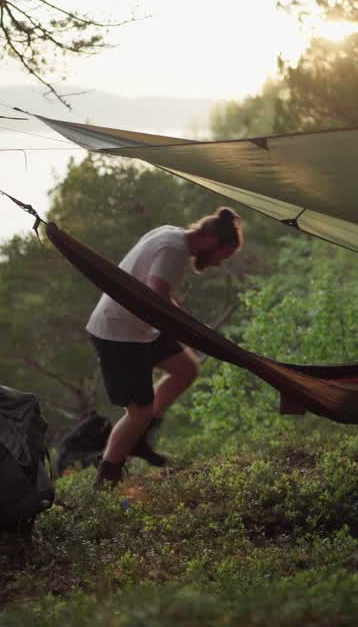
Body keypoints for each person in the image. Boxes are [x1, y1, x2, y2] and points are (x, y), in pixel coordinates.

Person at [87, 207, 245, 487]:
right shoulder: (174, 249)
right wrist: (191, 328)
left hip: (142, 326)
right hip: (119, 332)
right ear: (212, 241)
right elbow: (156, 293)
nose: (219, 264)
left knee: (186, 370)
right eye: (223, 256)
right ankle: (107, 476)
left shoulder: (172, 234)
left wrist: (188, 329)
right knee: (139, 411)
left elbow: (159, 296)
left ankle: (140, 439)